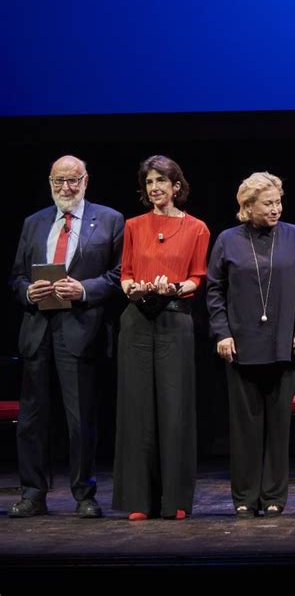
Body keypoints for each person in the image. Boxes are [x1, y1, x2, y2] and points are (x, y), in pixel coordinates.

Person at [9, 155, 124, 518]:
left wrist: (84, 289)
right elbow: (15, 277)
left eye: (73, 180)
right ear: (49, 182)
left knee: (80, 421)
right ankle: (33, 493)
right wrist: (28, 291)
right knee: (33, 420)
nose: (66, 188)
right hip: (37, 330)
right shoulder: (34, 222)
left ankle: (84, 493)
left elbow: (121, 275)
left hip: (80, 331)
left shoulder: (109, 220)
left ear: (86, 181)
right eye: (59, 181)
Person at [207, 171, 295, 518]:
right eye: (268, 203)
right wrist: (222, 332)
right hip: (241, 344)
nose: (276, 209)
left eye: (278, 202)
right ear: (248, 206)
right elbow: (214, 290)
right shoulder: (227, 239)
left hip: (285, 343)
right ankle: (244, 495)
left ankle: (273, 496)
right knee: (245, 427)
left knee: (278, 425)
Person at [112, 155, 210, 521]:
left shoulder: (197, 228)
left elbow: (197, 278)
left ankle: (176, 500)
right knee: (137, 410)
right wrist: (132, 288)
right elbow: (126, 273)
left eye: (161, 181)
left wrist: (173, 287)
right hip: (136, 320)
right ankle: (140, 500)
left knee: (174, 410)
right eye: (150, 182)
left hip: (174, 319)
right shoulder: (134, 225)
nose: (155, 188)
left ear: (176, 187)